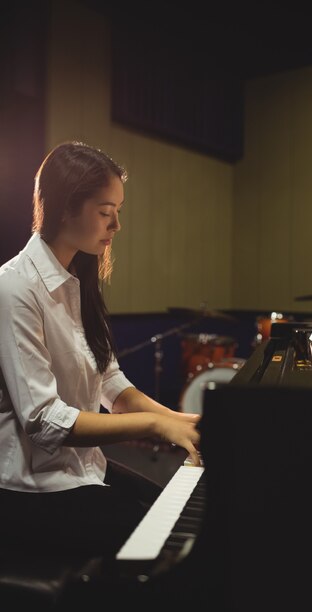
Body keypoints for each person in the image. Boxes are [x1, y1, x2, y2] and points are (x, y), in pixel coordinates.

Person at [0, 140, 201, 560]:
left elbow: (112, 384)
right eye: (105, 213)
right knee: (169, 549)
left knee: (171, 512)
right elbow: (43, 420)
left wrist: (184, 422)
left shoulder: (79, 283)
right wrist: (155, 427)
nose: (116, 226)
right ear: (65, 208)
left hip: (81, 471)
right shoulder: (14, 288)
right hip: (29, 492)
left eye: (118, 213)